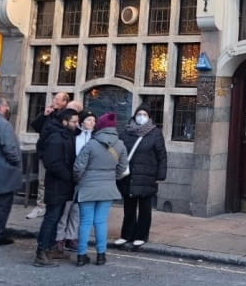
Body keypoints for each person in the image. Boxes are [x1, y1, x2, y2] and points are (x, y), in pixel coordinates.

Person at [73, 111, 128, 266]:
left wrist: (78, 181)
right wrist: (112, 178)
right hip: (108, 187)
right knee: (101, 222)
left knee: (85, 222)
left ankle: (81, 255)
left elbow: (78, 167)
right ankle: (101, 255)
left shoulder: (91, 144)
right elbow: (122, 168)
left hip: (88, 186)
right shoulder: (120, 145)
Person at [116, 105, 167, 249]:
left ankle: (141, 236)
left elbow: (162, 155)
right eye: (139, 114)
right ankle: (126, 235)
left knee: (145, 209)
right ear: (134, 116)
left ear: (149, 117)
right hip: (129, 176)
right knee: (129, 208)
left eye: (144, 114)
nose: (141, 116)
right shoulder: (126, 132)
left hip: (147, 176)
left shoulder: (155, 133)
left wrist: (160, 175)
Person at [33, 108, 77, 266]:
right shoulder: (56, 138)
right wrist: (68, 176)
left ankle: (50, 249)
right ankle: (41, 252)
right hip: (57, 184)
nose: (76, 124)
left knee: (56, 217)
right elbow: (52, 162)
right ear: (64, 122)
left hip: (63, 184)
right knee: (51, 218)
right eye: (73, 121)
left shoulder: (67, 135)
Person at [27, 90, 70, 219]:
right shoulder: (49, 114)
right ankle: (41, 206)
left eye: (57, 99)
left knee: (55, 182)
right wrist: (44, 115)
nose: (54, 101)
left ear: (64, 102)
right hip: (44, 153)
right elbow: (36, 127)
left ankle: (52, 207)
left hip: (58, 155)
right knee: (42, 181)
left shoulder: (65, 117)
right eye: (54, 98)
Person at [54, 103, 89, 253]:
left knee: (76, 211)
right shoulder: (73, 136)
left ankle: (71, 237)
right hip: (69, 177)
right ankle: (59, 238)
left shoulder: (94, 138)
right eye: (88, 120)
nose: (91, 123)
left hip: (83, 178)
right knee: (65, 210)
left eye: (94, 120)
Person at [0, 96, 22, 246]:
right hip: (3, 173)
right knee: (1, 206)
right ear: (0, 107)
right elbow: (10, 149)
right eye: (6, 106)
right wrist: (16, 162)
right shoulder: (3, 124)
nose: (8, 109)